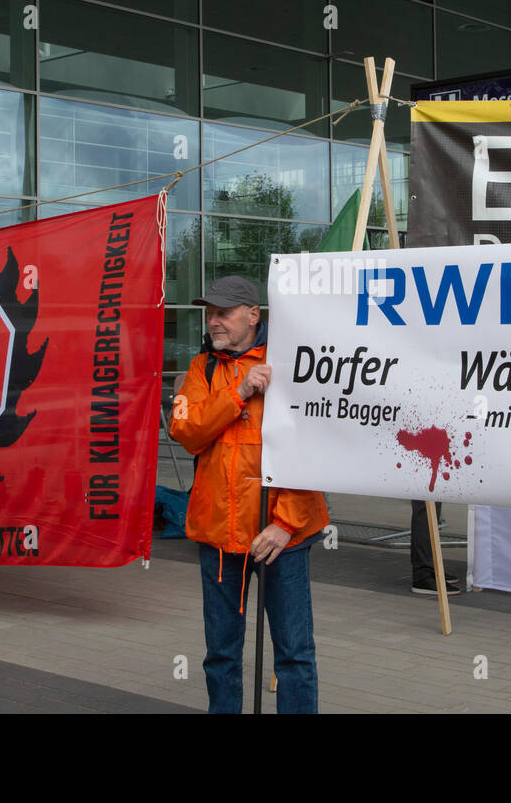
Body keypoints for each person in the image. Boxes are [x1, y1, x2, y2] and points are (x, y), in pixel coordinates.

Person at [169, 275, 329, 713]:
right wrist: (237, 393)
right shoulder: (202, 369)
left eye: (224, 312)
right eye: (210, 313)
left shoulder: (292, 363)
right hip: (219, 535)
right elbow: (187, 432)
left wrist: (286, 524)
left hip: (282, 539)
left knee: (294, 653)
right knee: (220, 653)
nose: (214, 321)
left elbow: (311, 450)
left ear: (253, 314)